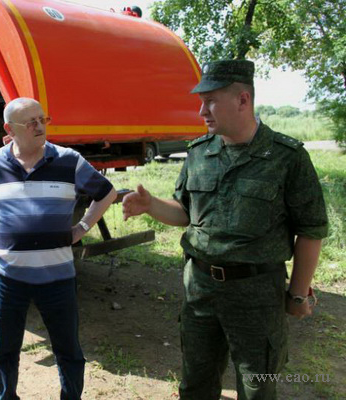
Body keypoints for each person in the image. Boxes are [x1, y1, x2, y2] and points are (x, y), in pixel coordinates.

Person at [122, 60, 328, 399]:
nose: (202, 111)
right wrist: (152, 205)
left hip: (257, 294)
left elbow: (310, 231)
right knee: (195, 385)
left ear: (243, 100)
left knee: (257, 388)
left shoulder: (287, 157)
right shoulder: (200, 153)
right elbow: (186, 212)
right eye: (201, 102)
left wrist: (298, 293)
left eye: (211, 101)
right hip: (200, 290)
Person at [0, 97, 116, 400]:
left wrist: (82, 228)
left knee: (68, 350)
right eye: (30, 122)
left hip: (57, 278)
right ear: (9, 128)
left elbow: (107, 193)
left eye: (42, 119)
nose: (39, 126)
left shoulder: (68, 160)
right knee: (4, 350)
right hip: (9, 279)